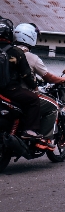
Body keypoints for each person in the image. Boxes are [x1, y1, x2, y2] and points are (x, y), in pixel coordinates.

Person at [13, 23, 65, 151]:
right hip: (23, 94)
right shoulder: (31, 58)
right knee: (53, 106)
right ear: (30, 37)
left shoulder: (7, 52)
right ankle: (43, 139)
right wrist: (62, 79)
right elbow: (48, 77)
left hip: (8, 92)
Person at [0, 18, 46, 148]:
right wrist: (34, 87)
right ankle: (29, 130)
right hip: (10, 90)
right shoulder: (15, 52)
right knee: (33, 100)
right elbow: (26, 75)